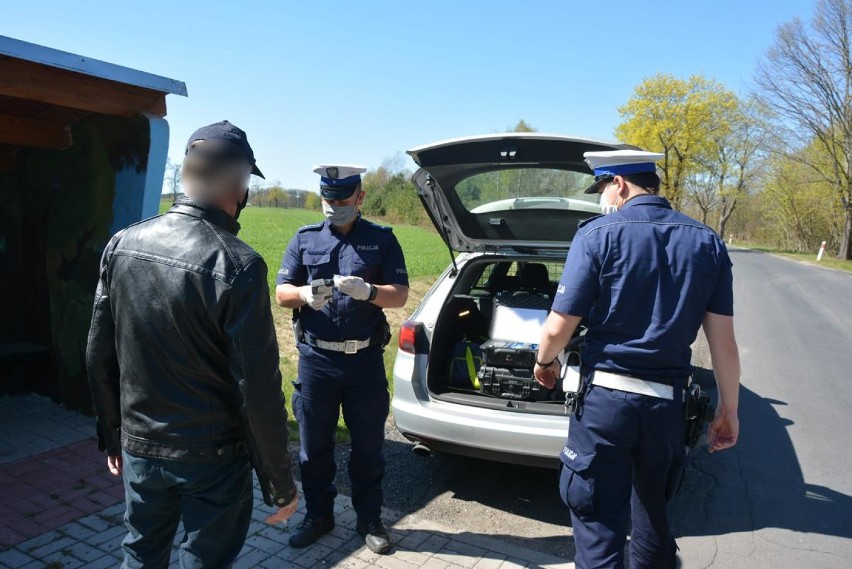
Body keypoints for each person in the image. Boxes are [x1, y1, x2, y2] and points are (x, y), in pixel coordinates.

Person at [87, 120, 299, 568]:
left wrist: (113, 435)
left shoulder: (122, 243)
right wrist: (280, 483)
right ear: (239, 185)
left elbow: (98, 355)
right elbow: (257, 387)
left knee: (140, 552)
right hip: (212, 460)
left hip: (140, 446)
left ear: (187, 177)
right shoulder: (238, 265)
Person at [533, 150, 741, 569]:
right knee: (651, 519)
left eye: (603, 187)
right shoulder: (708, 243)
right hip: (667, 409)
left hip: (605, 407)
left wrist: (544, 362)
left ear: (620, 184)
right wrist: (728, 411)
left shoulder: (596, 235)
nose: (602, 198)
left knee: (597, 523)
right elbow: (725, 344)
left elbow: (558, 328)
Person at [275, 164, 409, 554]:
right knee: (314, 447)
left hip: (363, 362)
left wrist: (368, 291)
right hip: (317, 360)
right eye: (328, 199)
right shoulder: (305, 238)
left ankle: (370, 518)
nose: (334, 206)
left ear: (360, 198)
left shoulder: (381, 240)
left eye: (342, 199)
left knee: (368, 447)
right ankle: (319, 515)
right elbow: (281, 291)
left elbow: (399, 294)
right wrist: (302, 295)